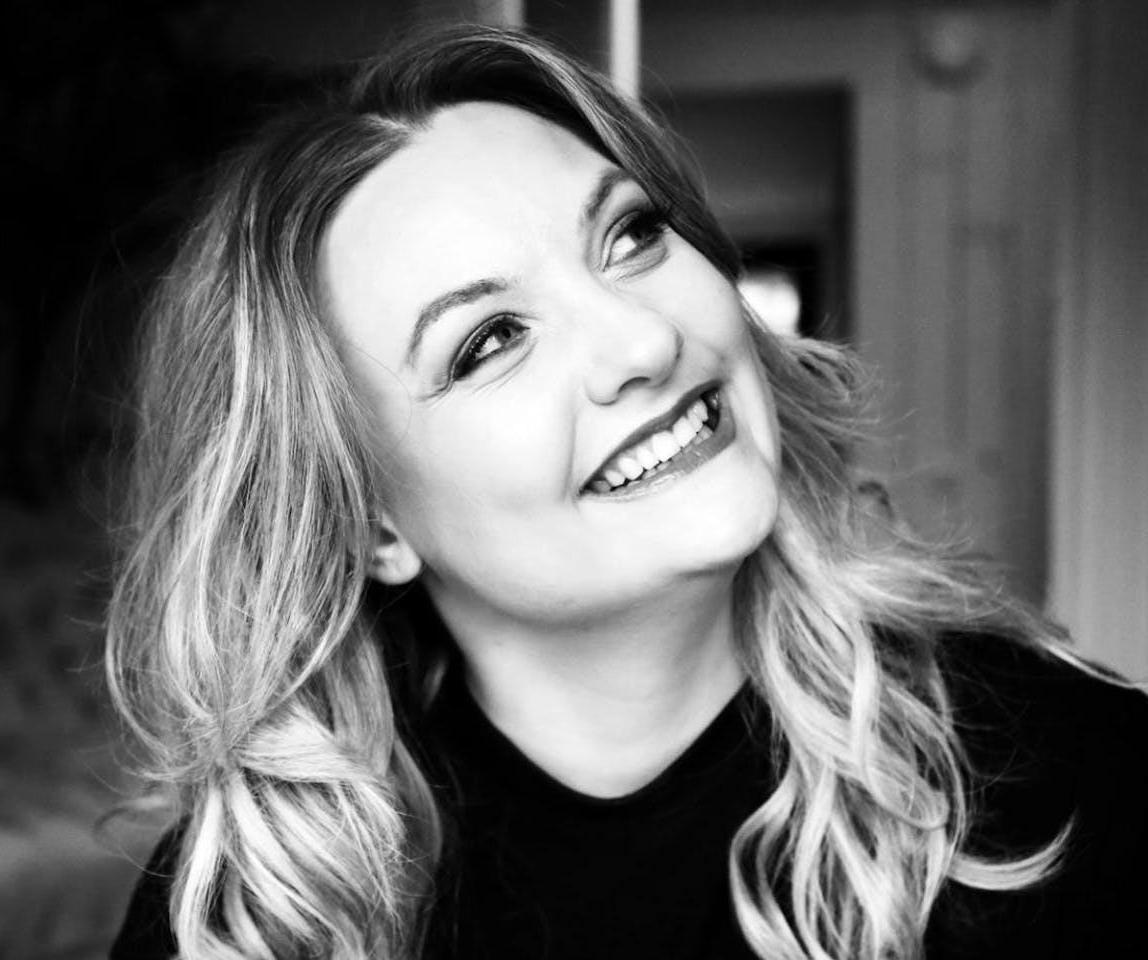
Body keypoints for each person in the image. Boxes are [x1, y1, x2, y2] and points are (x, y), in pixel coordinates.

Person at [105, 23, 1148, 960]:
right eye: (489, 341)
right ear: (367, 523)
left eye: (631, 235)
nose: (646, 339)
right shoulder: (244, 919)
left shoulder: (1070, 782)